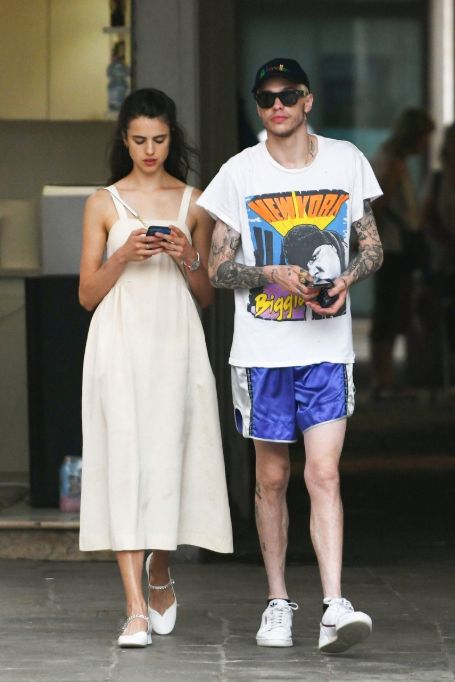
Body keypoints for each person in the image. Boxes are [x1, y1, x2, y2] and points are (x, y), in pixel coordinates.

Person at [197, 57, 383, 653]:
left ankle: (333, 604)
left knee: (323, 473)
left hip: (327, 348)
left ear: (308, 101)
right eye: (266, 97)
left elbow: (372, 247)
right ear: (259, 105)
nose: (276, 105)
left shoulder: (346, 160)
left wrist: (347, 279)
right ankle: (278, 601)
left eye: (288, 94)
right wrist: (270, 272)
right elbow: (217, 267)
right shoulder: (239, 172)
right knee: (271, 478)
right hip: (263, 351)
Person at [78, 88, 233, 648]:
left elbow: (206, 295)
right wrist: (124, 254)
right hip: (118, 340)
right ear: (125, 140)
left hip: (175, 338)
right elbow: (87, 295)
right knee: (122, 459)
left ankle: (160, 566)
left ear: (172, 139)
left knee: (173, 455)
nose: (150, 150)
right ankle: (134, 610)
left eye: (160, 140)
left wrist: (186, 256)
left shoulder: (194, 201)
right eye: (140, 140)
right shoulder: (102, 203)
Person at [370, 108, 434, 398]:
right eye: (424, 137)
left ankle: (385, 379)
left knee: (393, 310)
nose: (426, 144)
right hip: (394, 247)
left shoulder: (390, 158)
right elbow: (380, 203)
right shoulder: (393, 163)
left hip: (392, 246)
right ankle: (383, 380)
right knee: (391, 311)